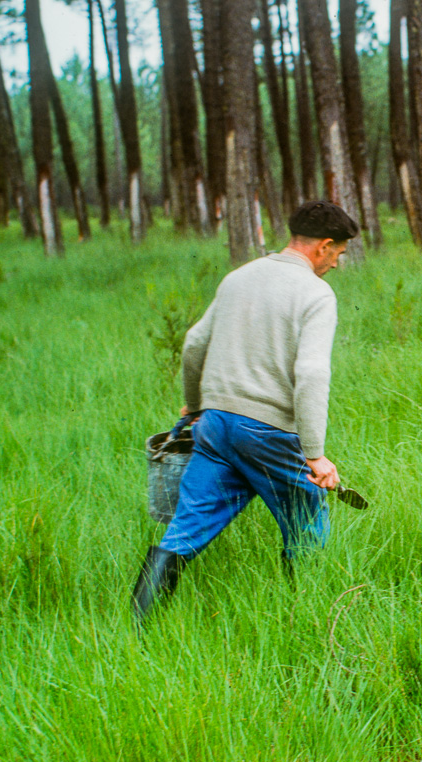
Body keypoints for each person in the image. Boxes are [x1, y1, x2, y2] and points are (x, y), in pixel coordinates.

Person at [131, 201, 357, 623]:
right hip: (269, 433)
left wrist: (196, 405)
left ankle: (137, 631)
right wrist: (314, 455)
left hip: (215, 427)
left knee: (185, 529)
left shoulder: (240, 277)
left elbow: (195, 342)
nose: (338, 264)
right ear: (324, 247)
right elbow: (310, 373)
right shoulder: (315, 293)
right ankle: (308, 622)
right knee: (307, 524)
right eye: (340, 254)